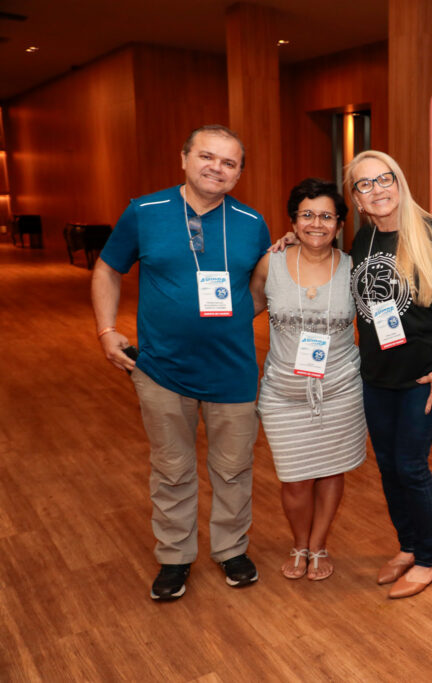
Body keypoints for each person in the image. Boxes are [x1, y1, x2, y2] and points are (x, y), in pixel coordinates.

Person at [91, 124, 270, 601]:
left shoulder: (253, 223)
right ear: (184, 158)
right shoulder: (144, 211)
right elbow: (108, 268)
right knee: (172, 469)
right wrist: (107, 331)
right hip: (162, 370)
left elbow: (257, 291)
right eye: (207, 157)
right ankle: (174, 558)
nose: (217, 168)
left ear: (239, 173)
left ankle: (231, 550)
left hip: (232, 372)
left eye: (229, 162)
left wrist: (221, 324)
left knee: (233, 469)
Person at [344, 150, 432, 599]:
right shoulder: (361, 240)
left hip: (423, 376)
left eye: (385, 179)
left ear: (399, 183)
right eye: (365, 184)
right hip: (376, 375)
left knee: (410, 465)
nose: (377, 189)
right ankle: (408, 545)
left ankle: (429, 558)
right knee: (387, 466)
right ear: (357, 198)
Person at [249, 178, 366, 581]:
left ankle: (317, 546)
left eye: (326, 216)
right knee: (295, 478)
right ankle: (298, 541)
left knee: (332, 470)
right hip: (283, 392)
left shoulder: (353, 269)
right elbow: (244, 310)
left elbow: (387, 317)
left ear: (339, 223)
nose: (317, 223)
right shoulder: (272, 263)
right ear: (294, 221)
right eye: (307, 215)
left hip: (340, 389)